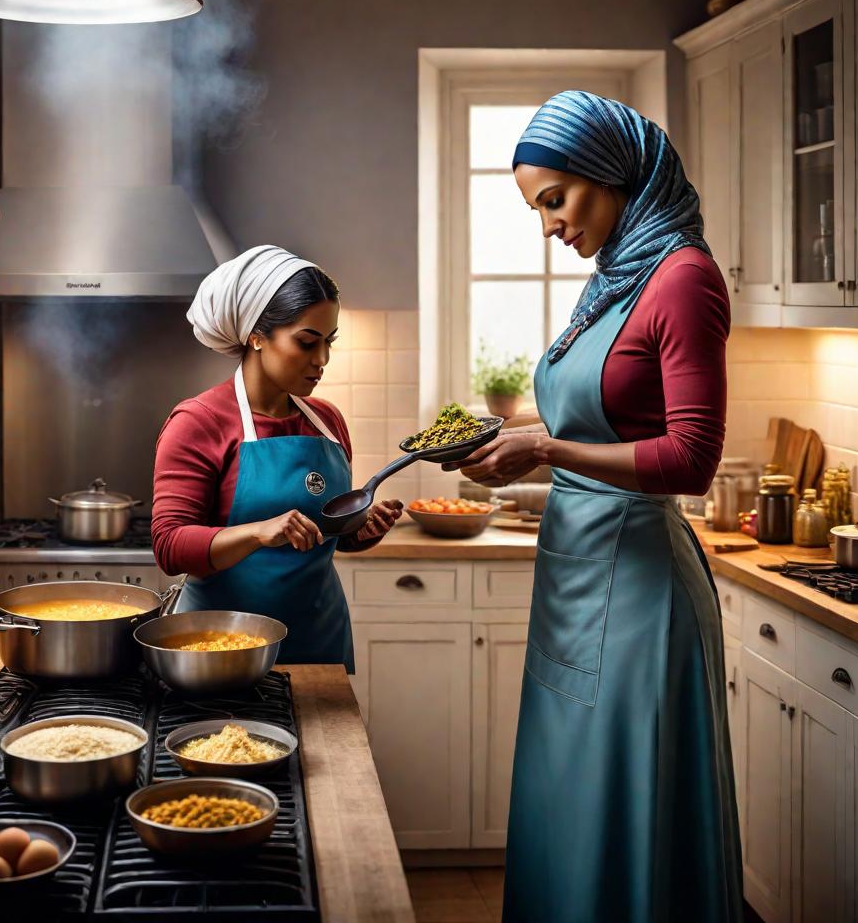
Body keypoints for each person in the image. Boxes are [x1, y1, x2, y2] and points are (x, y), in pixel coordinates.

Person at [448, 92, 743, 922]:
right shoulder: (619, 278)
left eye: (555, 199)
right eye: (537, 207)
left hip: (639, 592)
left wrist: (539, 450)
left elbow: (692, 460)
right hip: (575, 582)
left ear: (610, 175)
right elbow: (603, 418)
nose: (547, 226)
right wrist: (519, 438)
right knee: (566, 792)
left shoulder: (684, 278)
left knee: (621, 799)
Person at [152, 245, 402, 671]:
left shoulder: (327, 420)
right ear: (256, 335)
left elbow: (324, 537)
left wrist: (360, 530)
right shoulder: (200, 421)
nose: (321, 360)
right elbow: (170, 545)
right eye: (307, 342)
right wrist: (258, 532)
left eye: (328, 343)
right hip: (222, 648)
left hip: (320, 641)